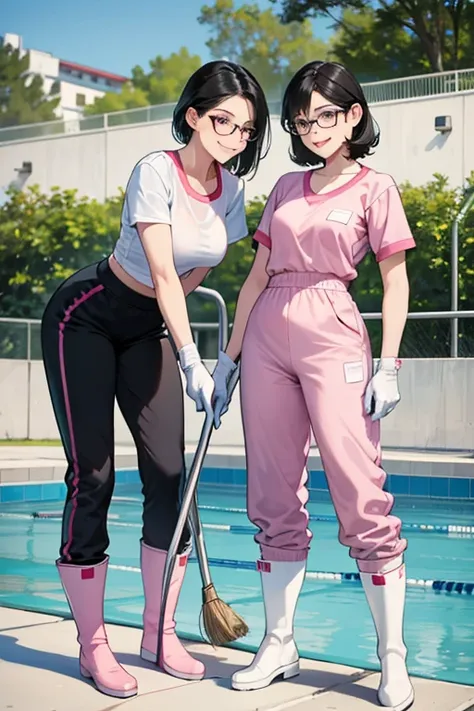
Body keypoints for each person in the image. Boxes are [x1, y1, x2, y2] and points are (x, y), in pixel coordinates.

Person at [40, 60, 270, 699]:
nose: (233, 136)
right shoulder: (155, 171)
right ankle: (92, 645)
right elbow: (164, 274)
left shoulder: (230, 192)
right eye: (222, 120)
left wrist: (215, 360)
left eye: (246, 129)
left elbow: (198, 271)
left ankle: (158, 632)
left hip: (147, 329)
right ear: (194, 115)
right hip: (87, 316)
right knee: (94, 477)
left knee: (169, 478)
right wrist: (193, 357)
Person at [211, 60, 415, 711]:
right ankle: (279, 640)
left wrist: (388, 363)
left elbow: (396, 280)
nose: (314, 128)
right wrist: (228, 357)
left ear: (353, 114)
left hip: (335, 332)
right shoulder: (285, 187)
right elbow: (255, 276)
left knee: (360, 492)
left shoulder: (374, 187)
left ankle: (392, 656)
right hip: (269, 336)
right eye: (303, 119)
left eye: (326, 114)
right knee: (272, 493)